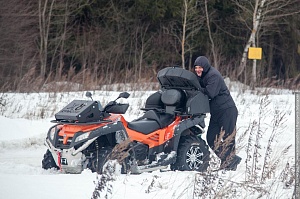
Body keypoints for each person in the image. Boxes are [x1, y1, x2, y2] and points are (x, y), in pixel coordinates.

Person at [193, 56, 241, 171]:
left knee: (228, 138)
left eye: (200, 67)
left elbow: (210, 93)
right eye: (196, 68)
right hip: (216, 112)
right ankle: (230, 159)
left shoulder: (213, 75)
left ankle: (229, 165)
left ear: (205, 67)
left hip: (227, 110)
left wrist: (197, 89)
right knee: (211, 138)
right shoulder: (202, 76)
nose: (198, 70)